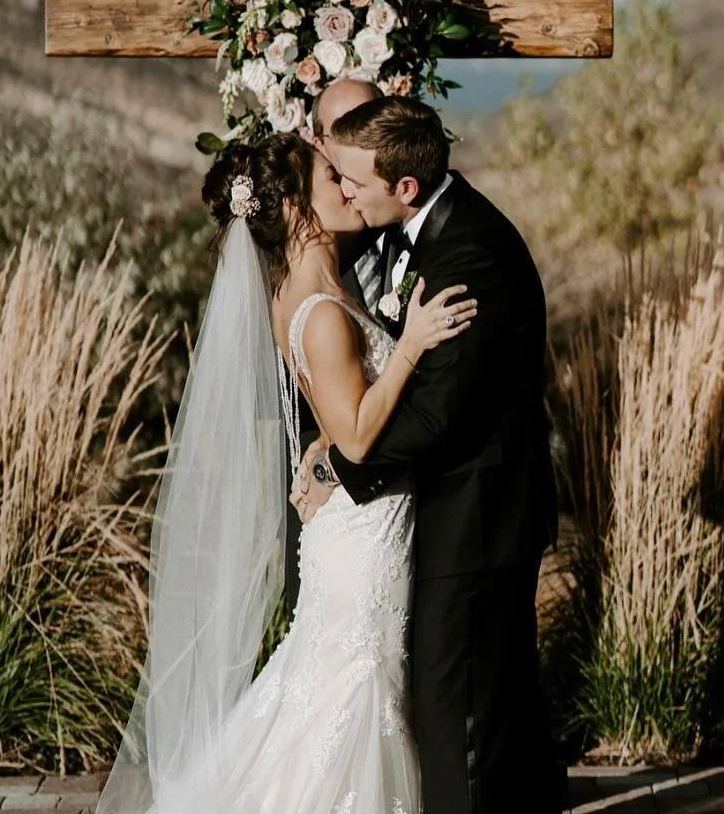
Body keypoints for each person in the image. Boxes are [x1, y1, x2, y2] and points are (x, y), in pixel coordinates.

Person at [96, 130, 477, 814]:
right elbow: (359, 437)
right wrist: (413, 346)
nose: (348, 189)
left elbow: (334, 422)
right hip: (361, 534)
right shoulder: (322, 310)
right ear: (300, 208)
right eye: (333, 179)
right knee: (353, 691)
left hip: (364, 522)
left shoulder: (315, 289)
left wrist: (318, 448)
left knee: (336, 686)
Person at [295, 96, 564, 814]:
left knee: (457, 720)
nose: (345, 193)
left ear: (403, 187)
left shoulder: (467, 255)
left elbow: (441, 417)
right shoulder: (423, 231)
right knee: (485, 702)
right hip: (456, 514)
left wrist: (340, 466)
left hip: (478, 517)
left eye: (353, 180)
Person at [282, 77, 382, 620]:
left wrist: (323, 457)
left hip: (383, 520)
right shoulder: (312, 301)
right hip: (355, 523)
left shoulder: (336, 272)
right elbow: (349, 427)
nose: (349, 182)